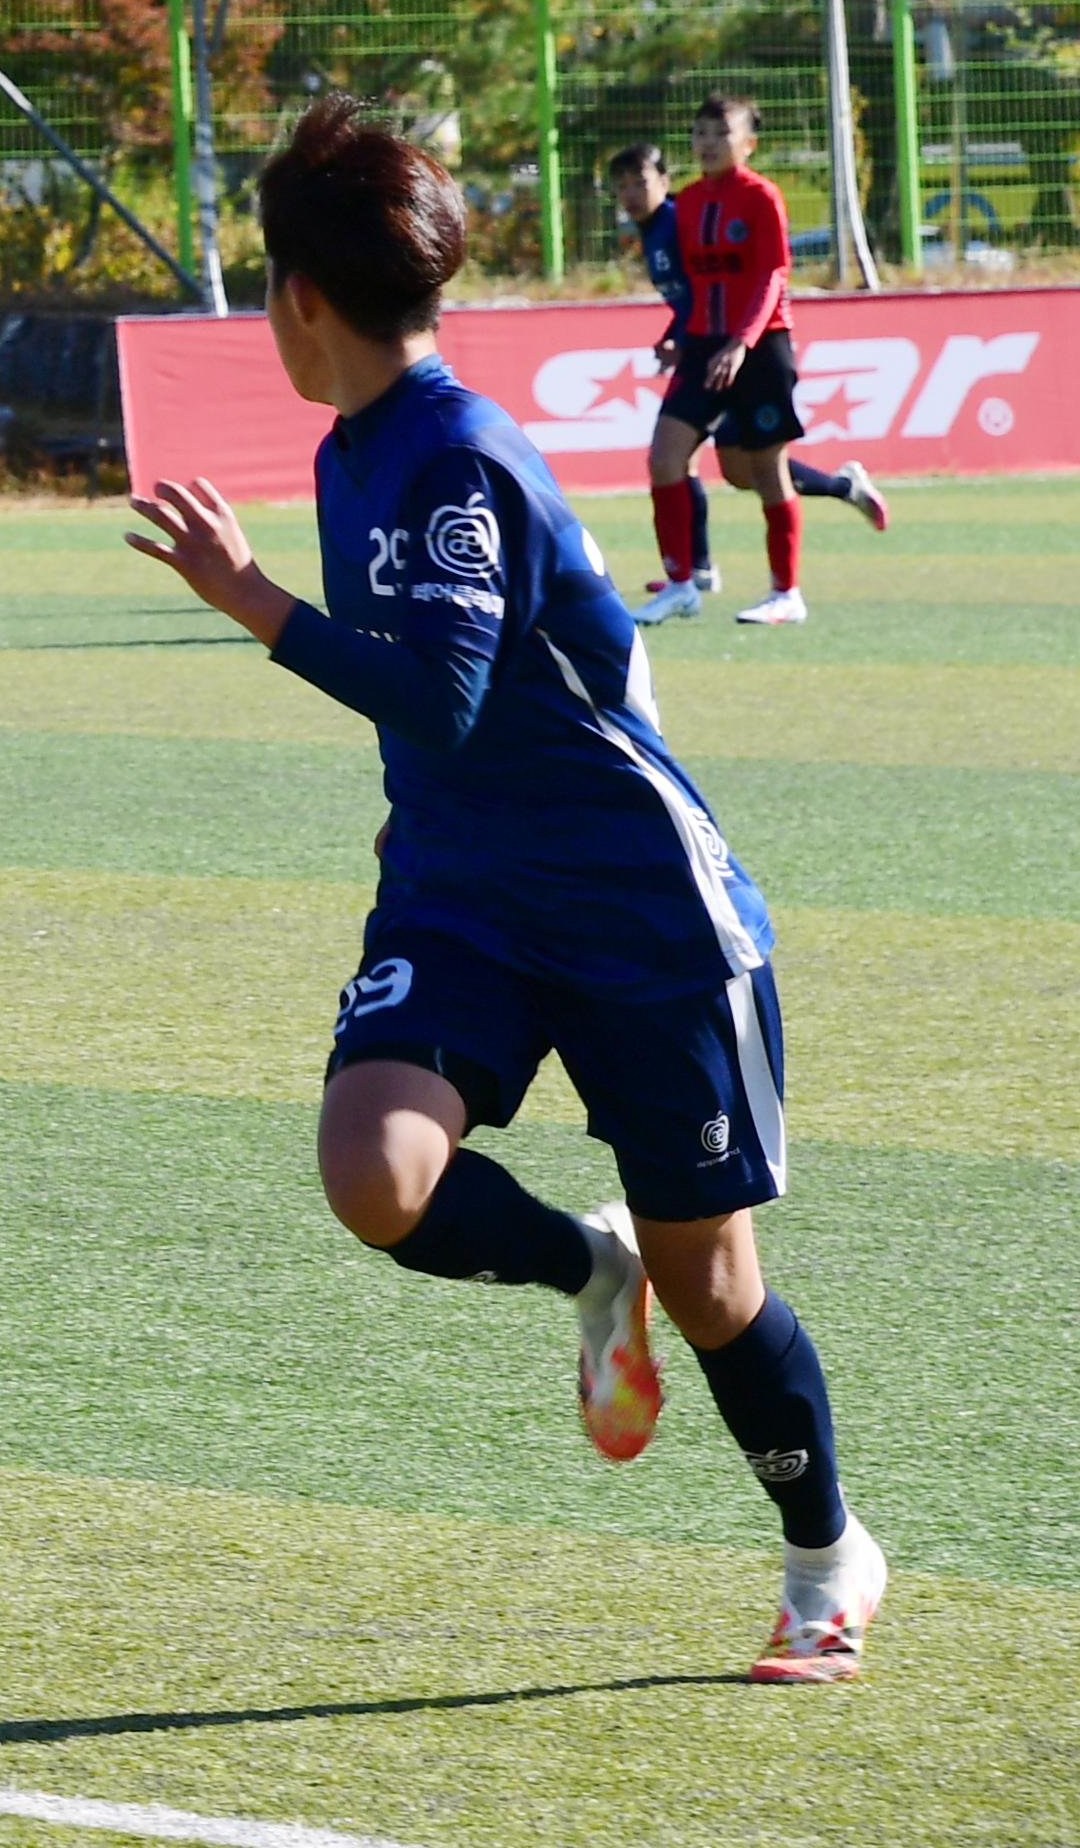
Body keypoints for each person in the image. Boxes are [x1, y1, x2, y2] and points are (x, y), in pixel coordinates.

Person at [129, 95, 884, 1684]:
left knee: (719, 1289)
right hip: (464, 892)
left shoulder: (457, 456)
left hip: (639, 911)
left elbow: (452, 697)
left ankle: (827, 1556)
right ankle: (580, 1265)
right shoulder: (356, 447)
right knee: (374, 1174)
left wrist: (250, 599)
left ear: (301, 298)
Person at [629, 98, 882, 631]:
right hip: (703, 345)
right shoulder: (690, 202)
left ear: (748, 143)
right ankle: (681, 585)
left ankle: (786, 594)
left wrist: (742, 341)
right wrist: (679, 339)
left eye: (720, 132)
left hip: (761, 346)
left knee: (763, 472)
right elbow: (696, 285)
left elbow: (772, 276)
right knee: (663, 457)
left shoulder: (762, 196)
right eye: (699, 132)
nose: (707, 142)